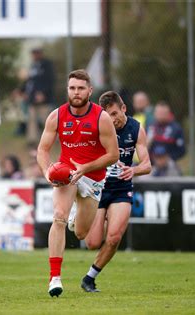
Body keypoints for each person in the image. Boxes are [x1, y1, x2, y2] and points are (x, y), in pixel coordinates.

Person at [37, 69, 119, 297]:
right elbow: (42, 150)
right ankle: (54, 278)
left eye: (81, 88)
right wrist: (47, 173)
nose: (76, 92)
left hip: (92, 177)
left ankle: (75, 216)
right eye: (72, 88)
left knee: (82, 234)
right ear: (67, 90)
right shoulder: (56, 116)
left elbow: (113, 155)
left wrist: (86, 168)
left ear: (90, 91)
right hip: (68, 174)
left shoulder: (102, 117)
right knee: (58, 216)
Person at [78, 91, 151, 292]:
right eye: (107, 115)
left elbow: (147, 165)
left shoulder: (136, 129)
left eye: (114, 113)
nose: (112, 119)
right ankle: (84, 216)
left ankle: (89, 278)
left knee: (114, 238)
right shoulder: (99, 128)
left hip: (121, 188)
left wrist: (133, 170)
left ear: (124, 109)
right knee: (92, 243)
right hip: (99, 187)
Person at [26, 47, 55, 146]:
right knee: (32, 119)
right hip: (32, 98)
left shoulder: (47, 65)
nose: (34, 56)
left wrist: (43, 93)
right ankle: (32, 140)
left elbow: (50, 80)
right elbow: (30, 81)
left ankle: (52, 139)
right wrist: (23, 91)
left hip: (44, 99)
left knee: (46, 120)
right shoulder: (33, 66)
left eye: (36, 53)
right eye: (33, 54)